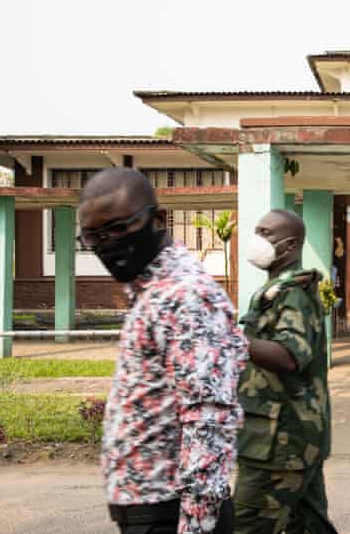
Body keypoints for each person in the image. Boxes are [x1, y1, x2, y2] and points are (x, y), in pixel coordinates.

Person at [78, 168, 247, 534]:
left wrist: (197, 525)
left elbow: (208, 419)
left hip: (172, 515)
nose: (107, 243)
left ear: (158, 220)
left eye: (119, 228)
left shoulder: (184, 295)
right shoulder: (149, 290)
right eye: (93, 236)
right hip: (149, 510)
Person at [234, 209, 336, 534]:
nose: (256, 239)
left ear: (289, 245)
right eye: (257, 230)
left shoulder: (292, 295)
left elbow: (289, 355)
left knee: (245, 526)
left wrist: (227, 338)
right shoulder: (276, 291)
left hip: (280, 442)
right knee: (308, 527)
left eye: (266, 233)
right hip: (288, 436)